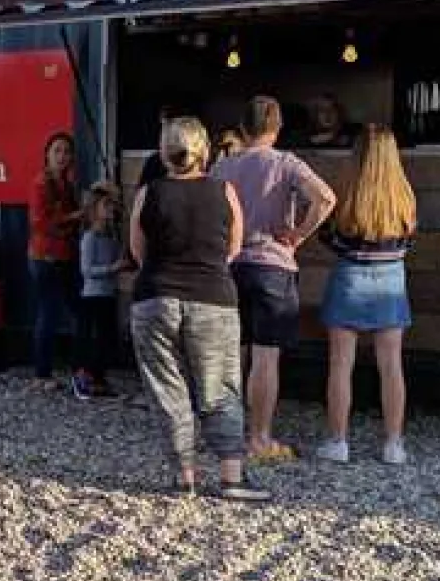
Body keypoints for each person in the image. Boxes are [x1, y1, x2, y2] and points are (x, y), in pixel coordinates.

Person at [129, 116, 267, 502]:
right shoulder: (225, 191)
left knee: (168, 392)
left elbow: (138, 253)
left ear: (163, 152)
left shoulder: (148, 193)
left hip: (154, 298)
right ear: (205, 151)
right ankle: (231, 477)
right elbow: (233, 250)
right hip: (213, 299)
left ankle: (184, 477)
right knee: (220, 388)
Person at [210, 96, 337, 464]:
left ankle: (226, 435)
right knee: (266, 358)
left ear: (243, 128)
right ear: (277, 128)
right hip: (273, 267)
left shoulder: (223, 168)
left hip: (231, 267)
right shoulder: (285, 163)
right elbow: (326, 198)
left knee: (232, 356)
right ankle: (259, 439)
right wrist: (299, 233)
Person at [314, 125, 418, 465]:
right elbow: (409, 239)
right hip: (391, 282)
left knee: (340, 365)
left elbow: (330, 237)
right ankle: (393, 445)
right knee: (391, 366)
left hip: (349, 279)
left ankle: (338, 442)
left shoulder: (346, 192)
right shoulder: (405, 195)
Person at [27, 132, 83, 386]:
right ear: (47, 155)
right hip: (45, 256)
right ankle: (42, 374)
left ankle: (78, 367)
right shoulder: (41, 183)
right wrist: (73, 217)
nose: (62, 156)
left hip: (64, 255)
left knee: (73, 309)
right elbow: (39, 222)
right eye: (57, 151)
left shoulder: (67, 184)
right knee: (48, 313)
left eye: (66, 152)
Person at [72, 182, 122, 401]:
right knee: (90, 339)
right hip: (92, 295)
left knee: (105, 339)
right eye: (106, 205)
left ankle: (100, 379)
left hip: (109, 293)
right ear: (94, 210)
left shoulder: (111, 238)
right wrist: (112, 268)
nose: (110, 209)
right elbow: (86, 270)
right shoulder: (89, 238)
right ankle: (82, 377)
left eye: (112, 205)